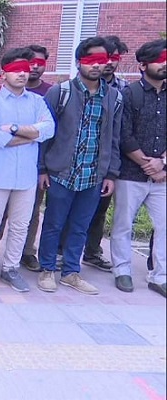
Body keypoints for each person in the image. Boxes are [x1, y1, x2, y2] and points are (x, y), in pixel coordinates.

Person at [37, 36, 122, 295]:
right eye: (90, 59)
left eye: (101, 60)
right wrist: (42, 168)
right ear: (78, 62)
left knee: (80, 226)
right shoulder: (60, 92)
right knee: (54, 223)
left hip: (93, 174)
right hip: (61, 171)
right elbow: (44, 134)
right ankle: (47, 269)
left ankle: (71, 272)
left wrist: (111, 173)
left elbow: (114, 138)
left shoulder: (114, 97)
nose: (96, 65)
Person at [0, 47, 55, 292]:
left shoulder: (37, 101)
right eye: (16, 69)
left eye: (25, 69)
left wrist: (14, 129)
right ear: (3, 73)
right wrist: (31, 135)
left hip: (27, 177)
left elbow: (49, 130)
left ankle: (10, 268)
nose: (22, 73)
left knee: (21, 225)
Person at [110, 39, 166, 297]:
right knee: (123, 224)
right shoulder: (129, 94)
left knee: (164, 226)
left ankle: (160, 276)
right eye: (160, 60)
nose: (165, 64)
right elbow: (123, 135)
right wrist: (148, 163)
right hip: (130, 174)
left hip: (162, 177)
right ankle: (122, 270)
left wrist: (162, 164)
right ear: (143, 65)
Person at [77, 35, 130, 274]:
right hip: (78, 162)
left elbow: (120, 132)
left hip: (108, 161)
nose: (107, 62)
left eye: (112, 58)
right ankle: (61, 254)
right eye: (101, 58)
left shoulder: (124, 90)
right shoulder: (75, 87)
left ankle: (92, 252)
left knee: (99, 211)